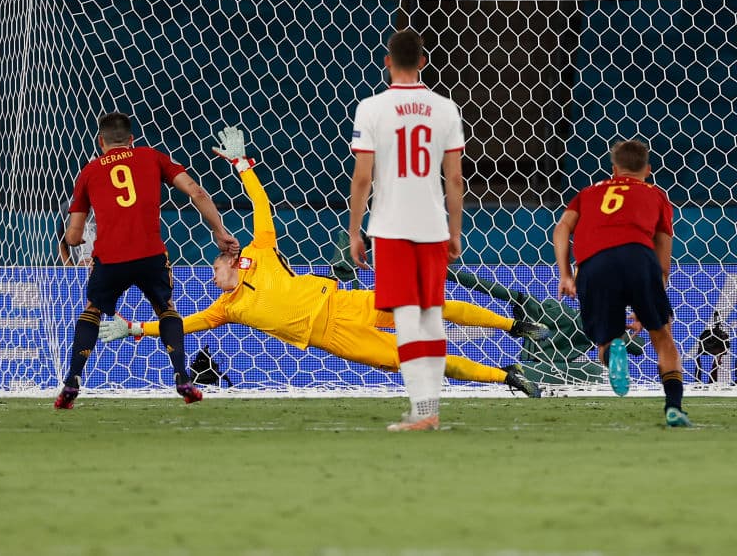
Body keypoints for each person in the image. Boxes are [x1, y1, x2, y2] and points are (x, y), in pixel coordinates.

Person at [98, 126, 544, 397]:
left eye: (213, 270)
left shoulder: (259, 253)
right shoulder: (226, 310)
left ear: (228, 261)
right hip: (333, 338)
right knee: (419, 358)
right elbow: (185, 324)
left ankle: (513, 325)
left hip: (341, 304)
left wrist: (241, 165)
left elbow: (261, 208)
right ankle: (506, 376)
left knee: (425, 307)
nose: (211, 279)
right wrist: (137, 328)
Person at [53, 112, 240, 409]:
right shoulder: (152, 157)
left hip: (110, 258)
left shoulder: (88, 172)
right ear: (131, 140)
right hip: (150, 255)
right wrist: (219, 231)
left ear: (100, 141)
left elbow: (74, 235)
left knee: (93, 310)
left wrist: (77, 238)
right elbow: (196, 190)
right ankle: (182, 376)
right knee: (166, 309)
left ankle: (72, 380)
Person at [348, 29, 465, 432]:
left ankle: (423, 409)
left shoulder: (371, 108)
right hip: (433, 225)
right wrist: (455, 230)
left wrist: (354, 231)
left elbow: (363, 177)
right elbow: (454, 180)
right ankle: (429, 408)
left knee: (407, 318)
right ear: (423, 62)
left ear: (386, 62)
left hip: (391, 226)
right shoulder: (446, 108)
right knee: (432, 315)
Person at [553, 139, 690, 426]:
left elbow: (562, 227)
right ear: (648, 170)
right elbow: (663, 261)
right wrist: (650, 298)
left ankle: (614, 350)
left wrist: (566, 274)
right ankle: (674, 407)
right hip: (639, 258)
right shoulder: (657, 195)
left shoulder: (588, 193)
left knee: (606, 341)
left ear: (614, 169)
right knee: (663, 336)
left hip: (594, 264)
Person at [56, 199, 96, 266]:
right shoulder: (67, 206)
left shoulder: (111, 206)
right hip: (77, 271)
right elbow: (61, 244)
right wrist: (71, 269)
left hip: (104, 269)